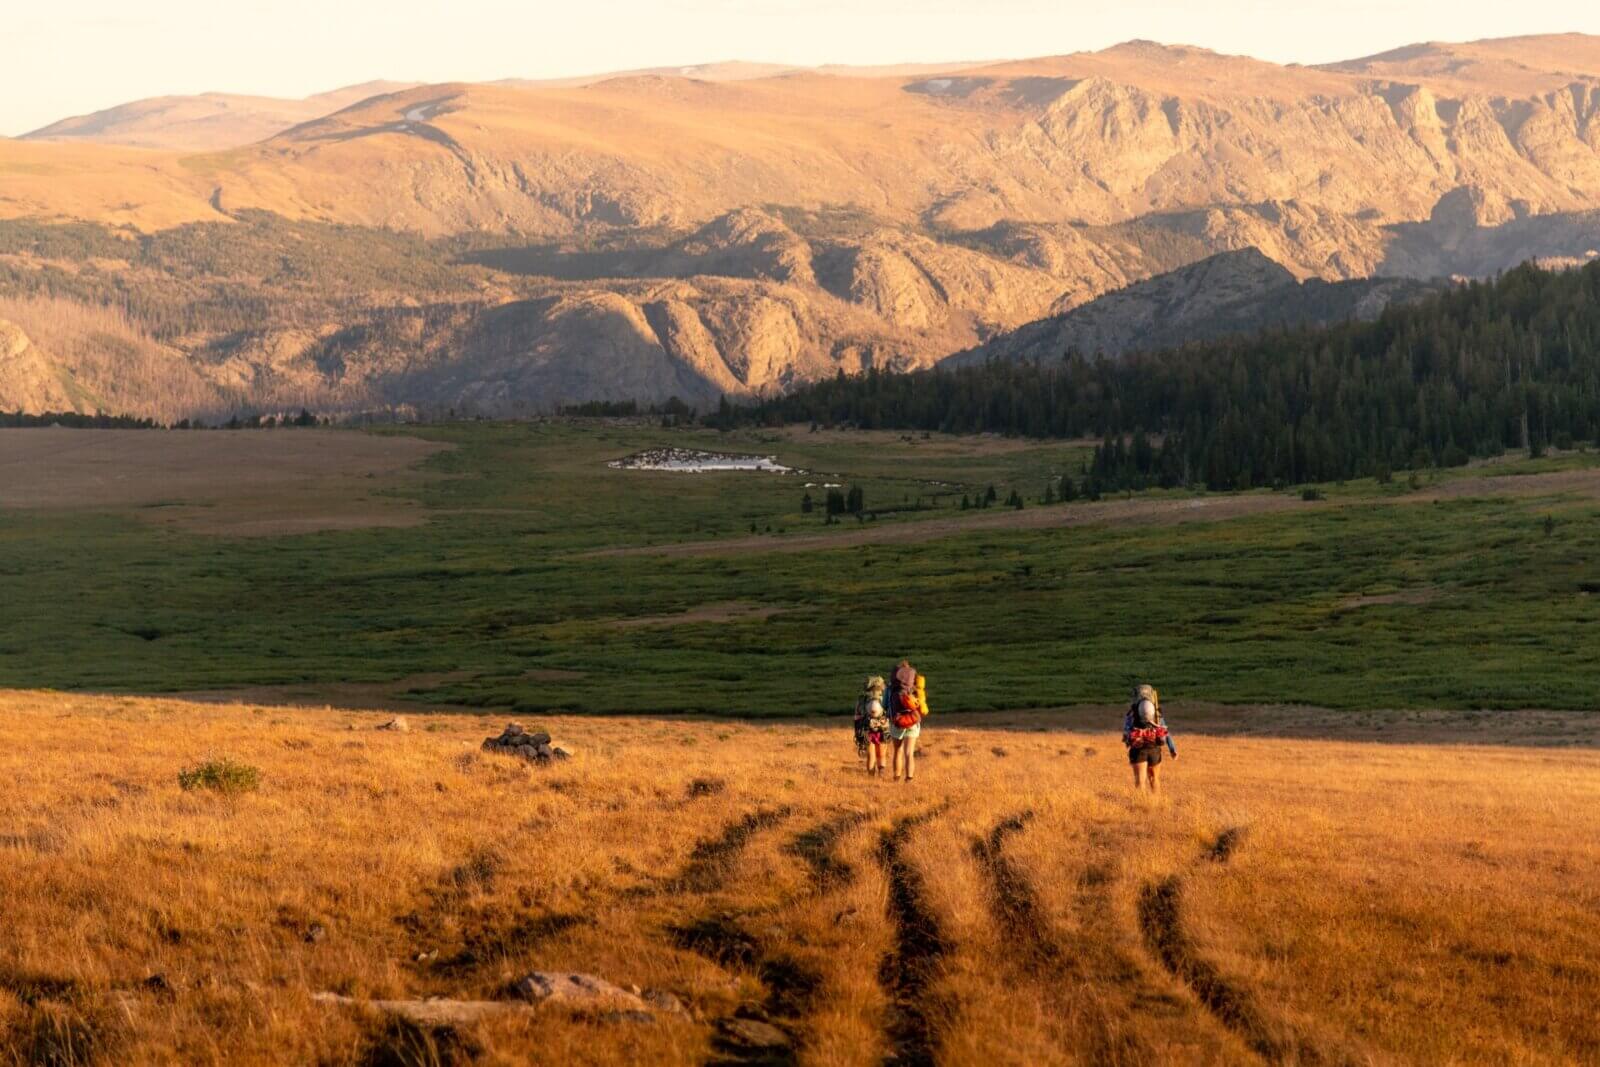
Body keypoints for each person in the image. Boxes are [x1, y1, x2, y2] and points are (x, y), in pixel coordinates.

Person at [1124, 683, 1177, 792]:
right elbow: (1165, 732)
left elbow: (1127, 732)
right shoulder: (1156, 713)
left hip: (1138, 750)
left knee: (1140, 781)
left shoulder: (1132, 713)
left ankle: (1141, 802)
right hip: (1154, 750)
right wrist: (1173, 749)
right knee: (1154, 779)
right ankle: (1156, 801)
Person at [886, 661, 929, 782]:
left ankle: (896, 778)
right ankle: (909, 779)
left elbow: (884, 705)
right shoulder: (915, 688)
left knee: (897, 750)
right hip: (913, 722)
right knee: (909, 753)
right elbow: (921, 706)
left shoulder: (891, 688)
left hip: (897, 722)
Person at [854, 676, 889, 776]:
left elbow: (857, 717)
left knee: (871, 755)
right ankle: (881, 774)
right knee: (881, 754)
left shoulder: (862, 699)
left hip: (866, 730)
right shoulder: (884, 697)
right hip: (882, 730)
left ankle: (871, 777)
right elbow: (889, 713)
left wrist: (857, 732)